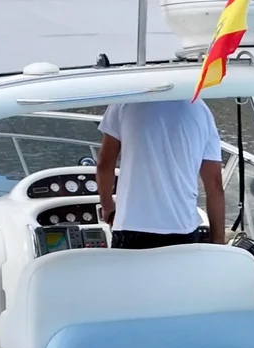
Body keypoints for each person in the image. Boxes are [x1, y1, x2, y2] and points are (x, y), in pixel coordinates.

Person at [96, 98, 228, 250]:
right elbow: (215, 184)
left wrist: (107, 206)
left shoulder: (124, 103)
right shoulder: (201, 111)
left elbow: (104, 164)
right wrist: (217, 243)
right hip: (181, 226)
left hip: (130, 225)